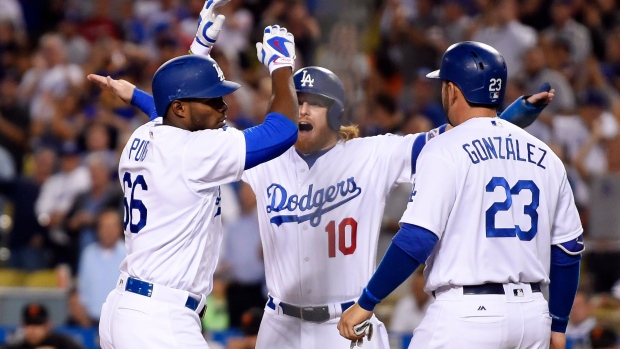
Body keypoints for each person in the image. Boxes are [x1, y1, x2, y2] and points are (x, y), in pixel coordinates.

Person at [94, 37, 554, 349]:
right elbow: (188, 138)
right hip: (279, 322)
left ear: (335, 113)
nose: (300, 108)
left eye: (312, 102)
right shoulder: (267, 159)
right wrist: (138, 96)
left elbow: (455, 140)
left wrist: (505, 118)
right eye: (295, 99)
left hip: (348, 324)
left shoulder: (373, 154)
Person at [338, 41, 584, 349]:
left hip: (467, 315)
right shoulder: (547, 156)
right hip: (531, 317)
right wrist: (558, 325)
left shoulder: (444, 149)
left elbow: (416, 238)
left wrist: (367, 301)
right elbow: (568, 249)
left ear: (453, 90)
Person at [96, 1, 299, 348]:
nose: (223, 107)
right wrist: (282, 66)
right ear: (179, 107)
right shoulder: (195, 152)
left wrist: (198, 51)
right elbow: (282, 130)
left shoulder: (143, 135)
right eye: (213, 100)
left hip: (125, 308)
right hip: (159, 319)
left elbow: (163, 108)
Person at [4, 303, 83, 349]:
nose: (32, 329)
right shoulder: (17, 345)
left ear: (48, 325)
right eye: (28, 324)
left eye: (37, 324)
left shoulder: (63, 343)